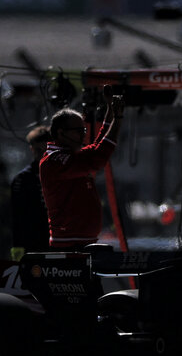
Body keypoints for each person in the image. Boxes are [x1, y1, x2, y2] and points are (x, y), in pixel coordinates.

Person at [39, 89, 122, 249]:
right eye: (79, 131)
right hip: (69, 244)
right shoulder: (54, 160)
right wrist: (117, 119)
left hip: (83, 242)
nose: (83, 136)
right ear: (61, 133)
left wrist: (111, 111)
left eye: (84, 131)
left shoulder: (69, 156)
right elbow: (98, 158)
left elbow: (97, 147)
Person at [8, 124, 51, 258]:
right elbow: (17, 216)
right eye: (38, 150)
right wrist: (17, 245)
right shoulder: (23, 179)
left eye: (45, 150)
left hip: (58, 241)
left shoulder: (64, 174)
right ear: (32, 149)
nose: (42, 154)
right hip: (32, 242)